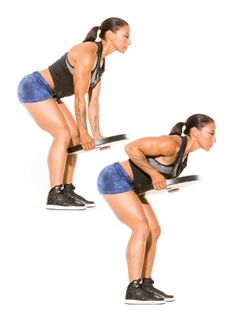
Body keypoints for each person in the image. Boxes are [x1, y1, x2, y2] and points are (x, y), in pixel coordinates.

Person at [97, 114, 216, 304]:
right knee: (141, 228)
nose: (214, 139)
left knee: (154, 230)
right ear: (195, 132)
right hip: (114, 178)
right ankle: (134, 288)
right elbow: (131, 148)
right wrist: (153, 174)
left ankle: (145, 284)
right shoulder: (171, 144)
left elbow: (158, 172)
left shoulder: (184, 156)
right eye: (211, 133)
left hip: (132, 186)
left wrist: (167, 183)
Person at [17, 17, 131, 210]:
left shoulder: (101, 63)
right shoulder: (87, 53)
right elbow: (79, 98)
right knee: (62, 134)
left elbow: (93, 102)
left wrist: (96, 135)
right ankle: (54, 193)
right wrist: (85, 131)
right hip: (34, 86)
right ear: (110, 35)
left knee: (75, 137)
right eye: (126, 36)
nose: (129, 42)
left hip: (51, 93)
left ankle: (66, 189)